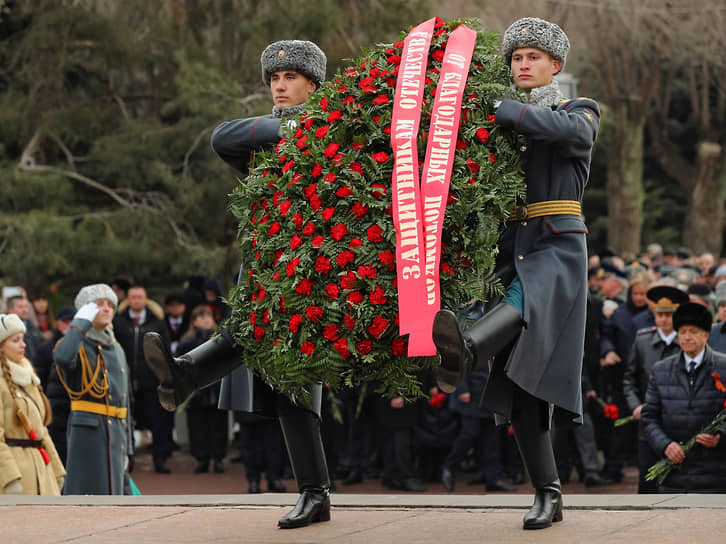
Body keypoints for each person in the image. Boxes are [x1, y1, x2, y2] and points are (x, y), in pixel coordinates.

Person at [143, 39, 331, 529]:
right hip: (264, 263)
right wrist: (293, 126)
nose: (279, 85)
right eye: (273, 79)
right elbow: (222, 137)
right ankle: (315, 494)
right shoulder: (270, 137)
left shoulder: (335, 135)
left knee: (292, 378)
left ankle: (187, 375)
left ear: (313, 84)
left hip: (312, 268)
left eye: (290, 78)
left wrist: (311, 128)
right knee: (252, 340)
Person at [431, 17, 600, 530]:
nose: (522, 65)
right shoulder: (501, 123)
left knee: (524, 300)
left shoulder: (578, 110)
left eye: (533, 57)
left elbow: (567, 133)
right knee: (524, 390)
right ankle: (547, 494)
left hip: (557, 247)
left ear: (556, 66)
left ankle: (466, 352)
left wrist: (505, 111)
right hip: (510, 247)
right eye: (516, 58)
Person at [53, 284, 132, 495]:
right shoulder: (77, 344)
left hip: (116, 434)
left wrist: (129, 448)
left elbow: (125, 400)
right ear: (85, 311)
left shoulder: (117, 348)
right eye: (99, 305)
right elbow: (62, 357)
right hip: (89, 436)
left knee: (116, 500)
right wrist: (79, 325)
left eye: (110, 305)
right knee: (88, 498)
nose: (106, 309)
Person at [641, 302, 726, 492]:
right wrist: (665, 445)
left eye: (693, 331)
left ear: (706, 334)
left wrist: (721, 437)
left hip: (716, 473)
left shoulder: (723, 367)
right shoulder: (661, 370)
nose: (687, 337)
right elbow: (649, 417)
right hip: (673, 472)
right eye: (682, 332)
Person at [622, 285, 688, 493]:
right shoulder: (642, 341)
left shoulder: (686, 342)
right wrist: (635, 405)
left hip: (678, 421)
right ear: (654, 314)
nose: (664, 319)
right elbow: (629, 379)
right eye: (660, 314)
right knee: (648, 478)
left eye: (669, 315)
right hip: (648, 422)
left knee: (677, 478)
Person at [0, 313, 65, 495]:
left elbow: (42, 430)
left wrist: (57, 471)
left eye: (22, 339)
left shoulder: (28, 376)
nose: (23, 345)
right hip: (17, 475)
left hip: (42, 470)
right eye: (15, 340)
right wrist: (10, 478)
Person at [113, 285, 174, 473]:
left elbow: (166, 349)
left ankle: (160, 458)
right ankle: (127, 458)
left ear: (145, 299)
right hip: (126, 380)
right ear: (128, 300)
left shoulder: (158, 323)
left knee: (158, 421)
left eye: (140, 297)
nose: (136, 300)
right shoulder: (119, 322)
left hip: (151, 380)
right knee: (127, 421)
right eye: (133, 297)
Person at [177, 306, 228, 475]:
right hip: (196, 392)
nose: (206, 319)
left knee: (218, 426)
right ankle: (201, 458)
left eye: (209, 316)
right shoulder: (186, 342)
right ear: (193, 321)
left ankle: (218, 458)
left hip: (217, 390)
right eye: (201, 316)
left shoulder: (222, 338)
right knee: (198, 428)